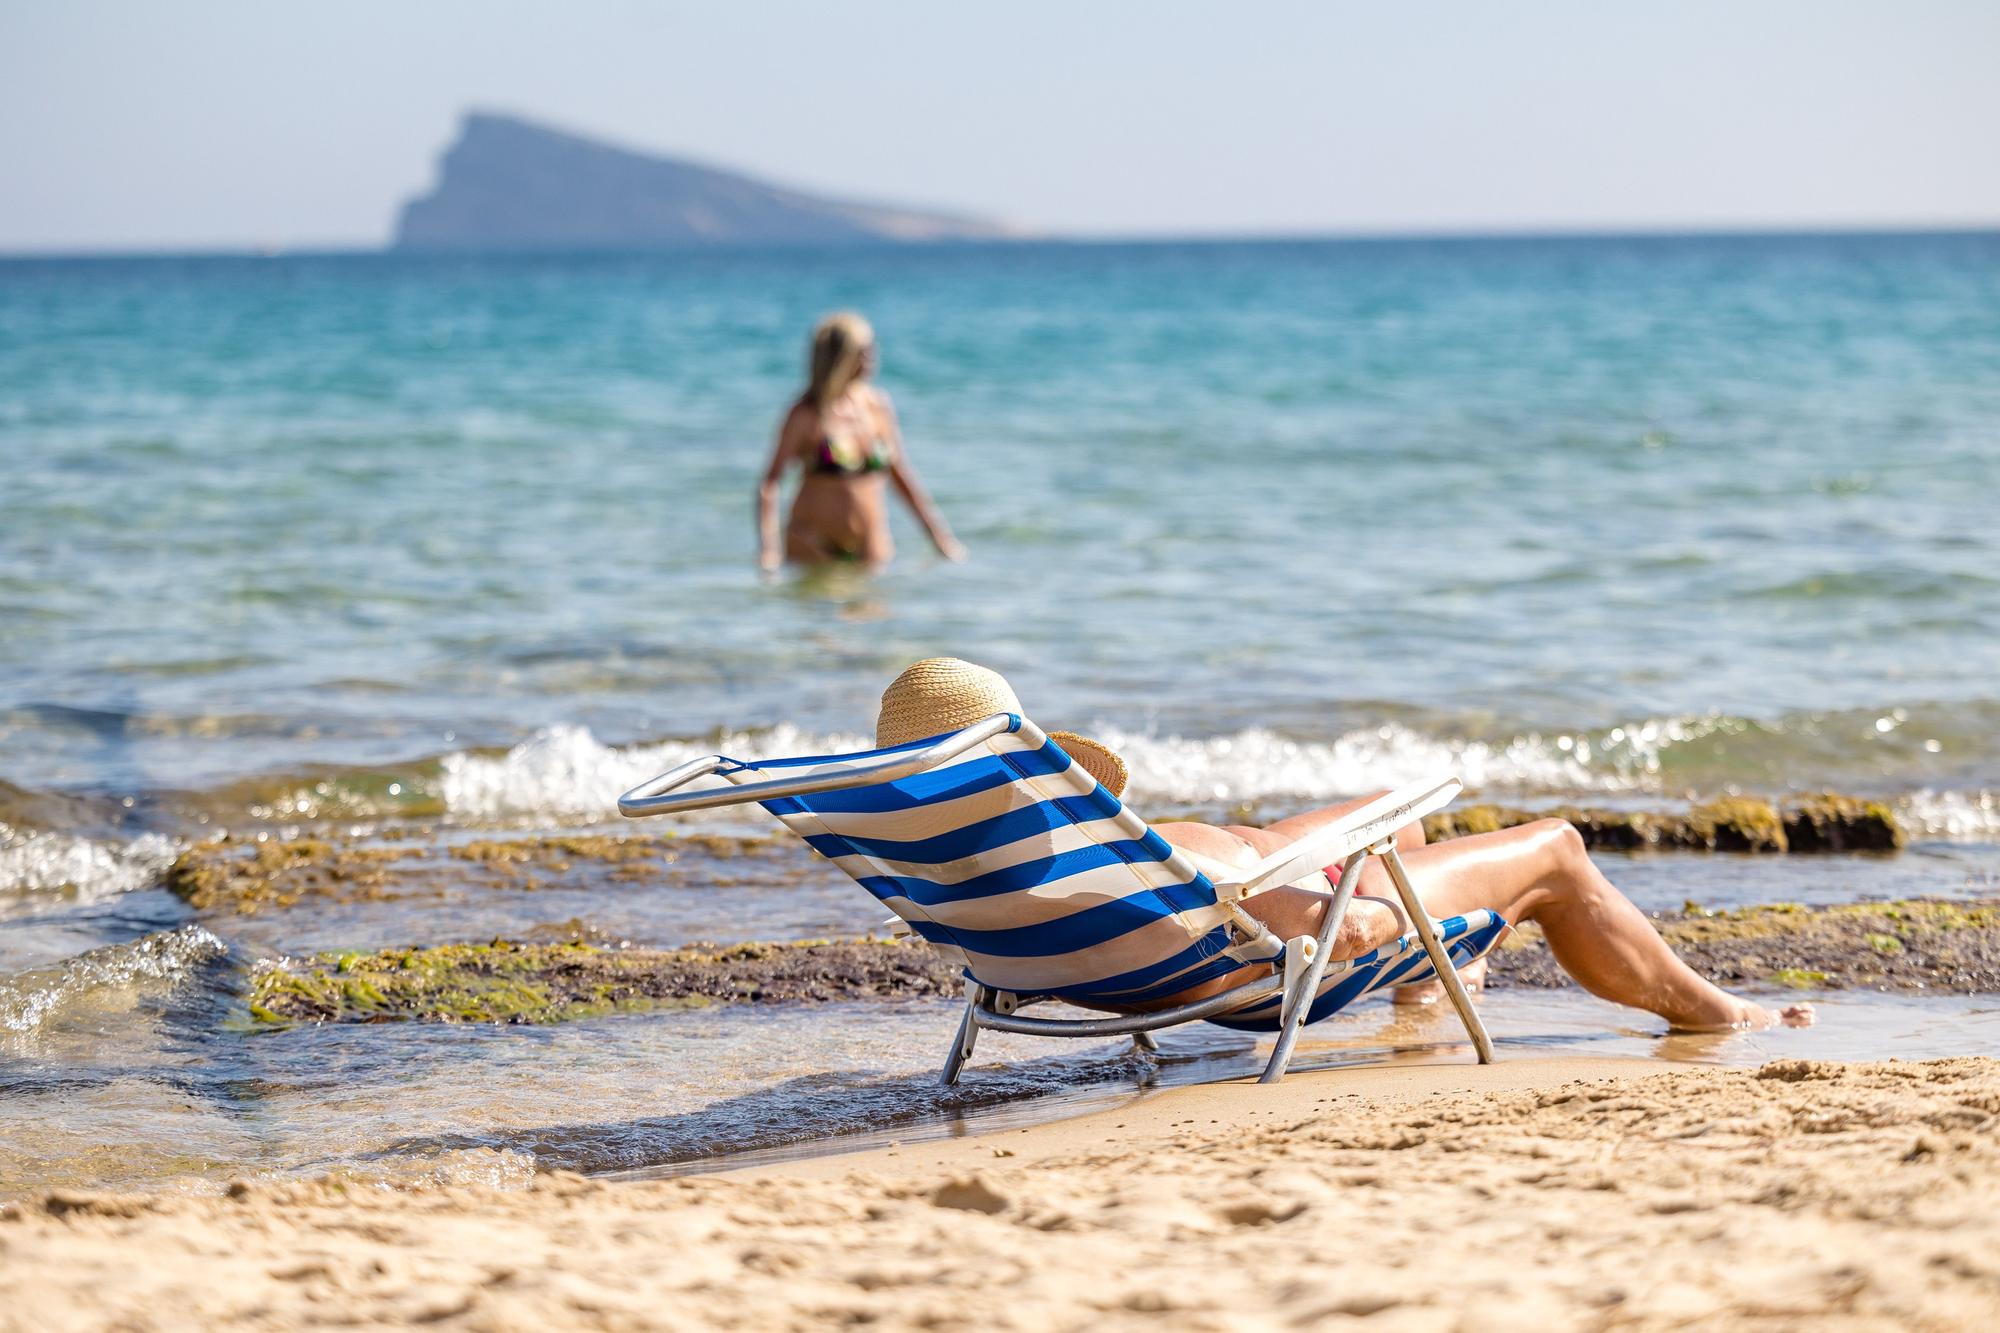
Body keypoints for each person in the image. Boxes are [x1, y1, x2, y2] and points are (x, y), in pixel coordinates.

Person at [873, 659, 1816, 1033]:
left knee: (1394, 815)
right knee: (1557, 850)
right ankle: (1720, 1014)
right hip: (1260, 949)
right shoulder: (1097, 846)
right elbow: (1348, 927)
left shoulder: (951, 858)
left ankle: (1430, 993)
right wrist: (1386, 921)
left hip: (1219, 904)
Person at [756, 312, 964, 570]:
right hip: (813, 544)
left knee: (878, 609)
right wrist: (769, 548)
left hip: (871, 544)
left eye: (872, 349)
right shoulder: (807, 413)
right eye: (863, 350)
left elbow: (900, 474)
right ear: (839, 355)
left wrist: (939, 537)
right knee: (812, 607)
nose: (872, 356)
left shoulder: (877, 406)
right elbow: (770, 483)